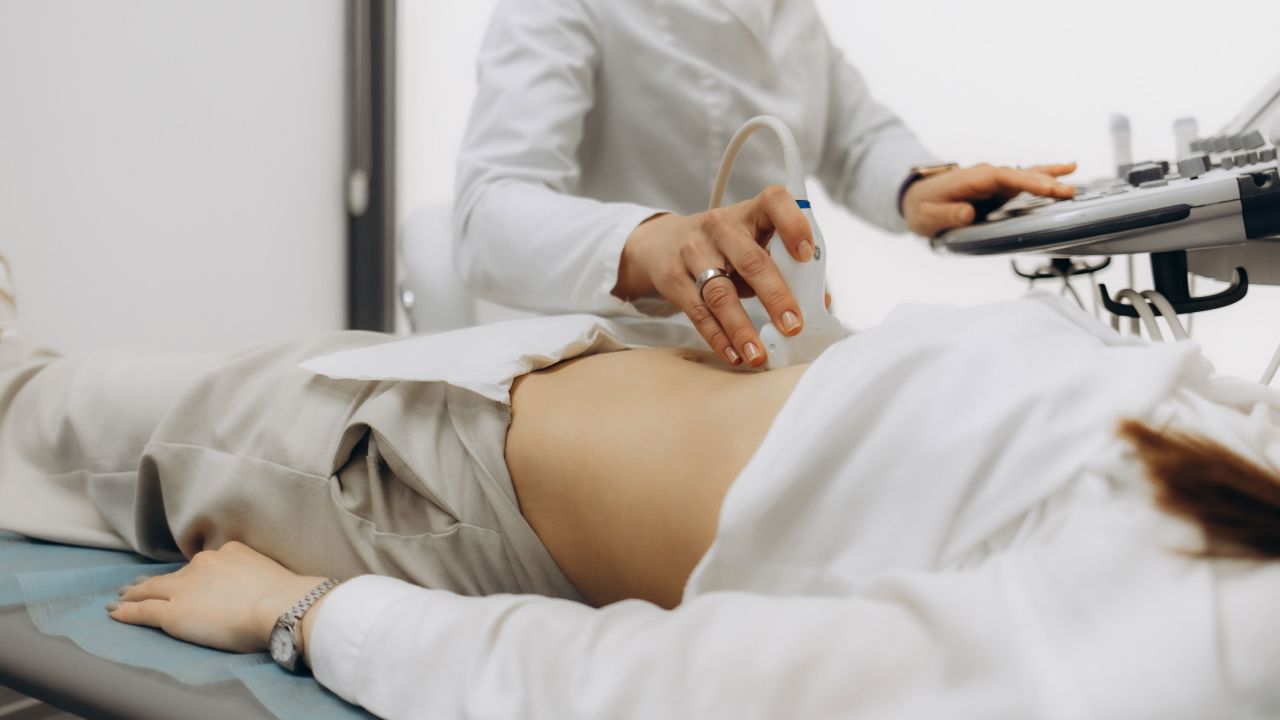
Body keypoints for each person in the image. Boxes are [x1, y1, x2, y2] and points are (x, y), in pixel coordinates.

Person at [2, 261, 1278, 718]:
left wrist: (304, 615)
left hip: (418, 474)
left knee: (24, 409)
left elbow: (643, 694)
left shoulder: (1180, 647)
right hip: (530, 385)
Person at [453, 0, 1078, 367]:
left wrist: (914, 186)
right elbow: (487, 215)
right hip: (638, 354)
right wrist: (652, 242)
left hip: (790, 341)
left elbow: (854, 137)